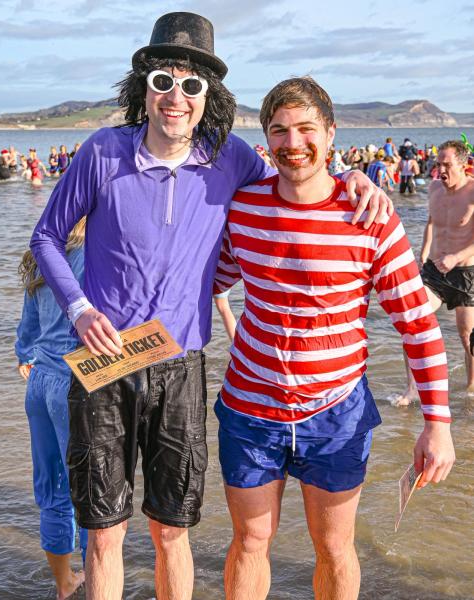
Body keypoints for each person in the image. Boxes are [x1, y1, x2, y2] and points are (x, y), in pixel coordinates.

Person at [29, 12, 391, 599]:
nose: (176, 97)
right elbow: (46, 237)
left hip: (180, 364)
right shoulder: (102, 152)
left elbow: (297, 173)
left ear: (207, 96)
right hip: (105, 362)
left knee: (173, 531)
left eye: (191, 84)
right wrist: (79, 309)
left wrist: (354, 177)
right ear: (144, 87)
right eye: (163, 82)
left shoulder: (231, 158)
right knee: (104, 533)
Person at [213, 76, 455, 600]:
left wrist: (438, 424)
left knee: (334, 546)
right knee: (250, 540)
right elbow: (207, 279)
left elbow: (417, 323)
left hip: (336, 412)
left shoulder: (371, 217)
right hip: (250, 409)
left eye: (306, 129)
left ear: (330, 133)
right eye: (279, 130)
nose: (293, 143)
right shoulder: (244, 208)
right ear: (265, 138)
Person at [15, 219, 88, 600]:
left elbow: (27, 329)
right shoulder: (97, 253)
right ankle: (98, 582)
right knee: (92, 493)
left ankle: (64, 584)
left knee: (53, 487)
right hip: (75, 383)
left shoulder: (42, 253)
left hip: (40, 381)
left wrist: (24, 355)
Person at [397, 140, 474, 404]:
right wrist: (422, 253)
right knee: (411, 321)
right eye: (438, 164)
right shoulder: (433, 188)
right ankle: (411, 389)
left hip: (466, 273)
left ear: (462, 164)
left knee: (468, 335)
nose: (440, 170)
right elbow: (432, 222)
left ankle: (471, 390)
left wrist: (457, 257)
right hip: (435, 270)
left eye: (446, 165)